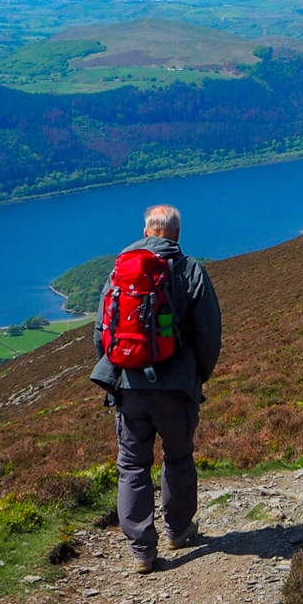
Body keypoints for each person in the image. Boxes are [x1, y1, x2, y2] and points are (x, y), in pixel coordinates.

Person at [90, 204, 222, 574]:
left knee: (132, 465)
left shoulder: (119, 270)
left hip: (129, 386)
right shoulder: (189, 270)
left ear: (147, 231)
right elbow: (209, 332)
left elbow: (102, 331)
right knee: (178, 457)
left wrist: (119, 369)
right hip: (177, 387)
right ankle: (178, 531)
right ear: (177, 234)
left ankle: (142, 551)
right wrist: (198, 376)